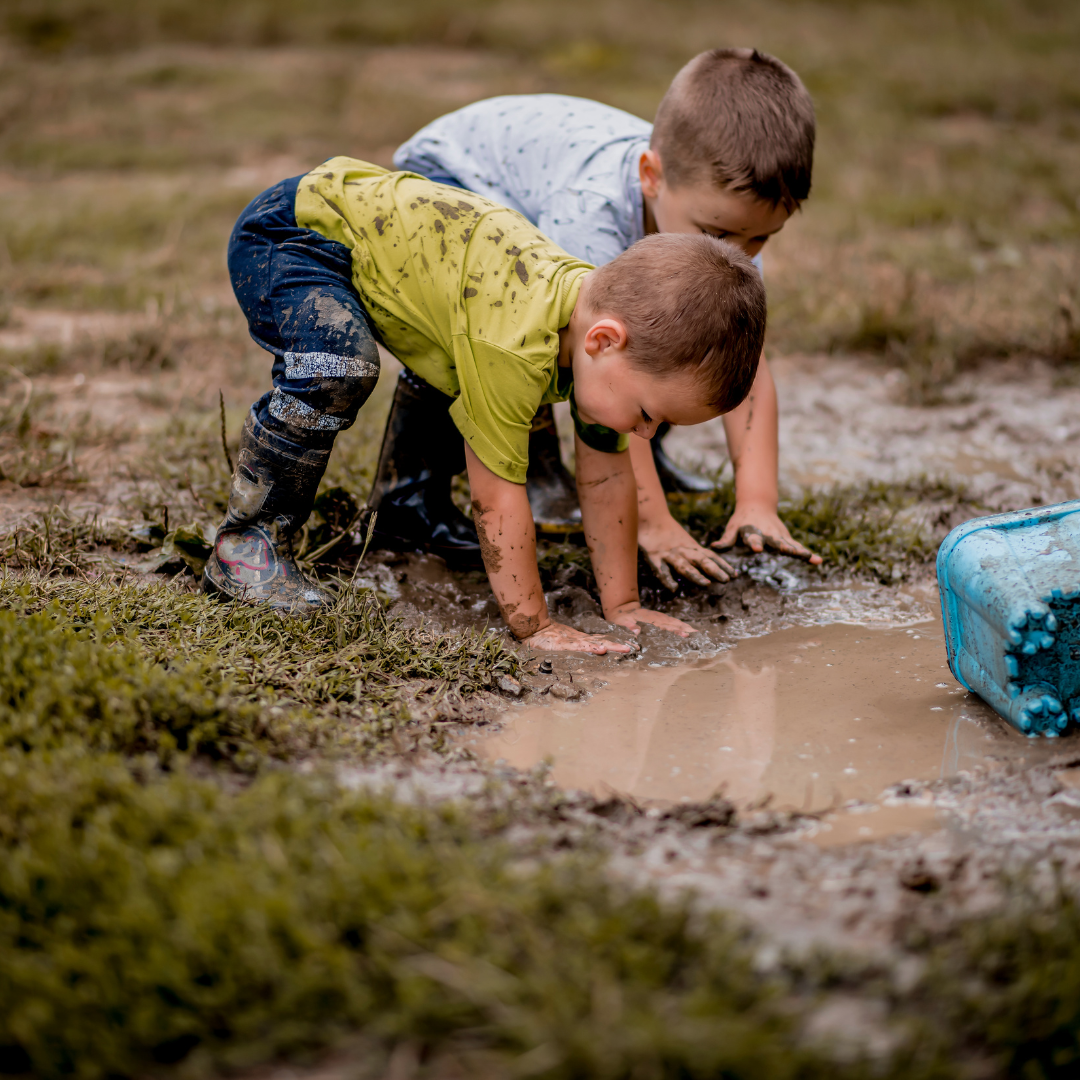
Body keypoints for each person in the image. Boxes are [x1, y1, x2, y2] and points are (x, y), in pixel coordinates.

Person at [203, 157, 766, 654]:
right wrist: (533, 625)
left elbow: (605, 478)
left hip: (384, 254)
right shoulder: (514, 345)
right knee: (339, 364)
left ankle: (406, 512)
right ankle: (246, 543)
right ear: (603, 340)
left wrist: (622, 608)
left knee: (456, 369)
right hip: (296, 233)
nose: (645, 434)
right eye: (650, 414)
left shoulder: (594, 338)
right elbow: (496, 497)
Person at [380, 46, 823, 584]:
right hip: (456, 181)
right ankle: (472, 484)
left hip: (533, 183)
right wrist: (652, 525)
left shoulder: (721, 226)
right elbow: (598, 357)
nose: (744, 252)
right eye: (720, 234)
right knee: (517, 336)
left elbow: (742, 364)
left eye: (761, 238)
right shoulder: (592, 214)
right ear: (651, 177)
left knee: (676, 343)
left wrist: (757, 501)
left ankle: (646, 459)